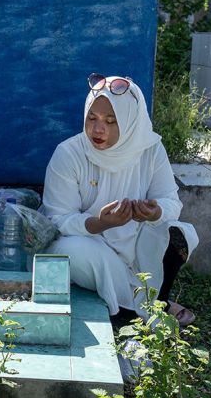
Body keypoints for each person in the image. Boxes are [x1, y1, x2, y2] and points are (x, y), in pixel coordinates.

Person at [42, 74, 198, 324]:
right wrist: (101, 223)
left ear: (130, 122)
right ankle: (132, 313)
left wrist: (155, 212)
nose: (97, 129)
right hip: (90, 244)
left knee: (180, 233)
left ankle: (157, 302)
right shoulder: (69, 153)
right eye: (91, 118)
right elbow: (56, 219)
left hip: (135, 245)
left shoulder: (150, 149)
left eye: (111, 121)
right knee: (70, 252)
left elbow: (171, 202)